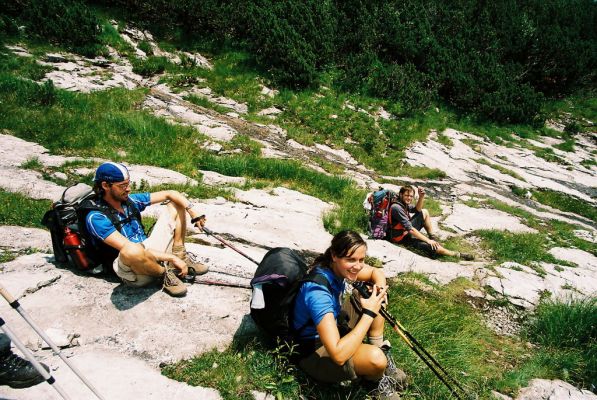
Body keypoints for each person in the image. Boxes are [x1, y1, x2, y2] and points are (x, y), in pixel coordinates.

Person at [292, 230, 407, 399]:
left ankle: (379, 361)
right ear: (334, 256)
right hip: (312, 352)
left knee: (373, 295)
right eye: (351, 259)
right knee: (376, 358)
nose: (358, 265)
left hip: (334, 327)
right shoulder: (317, 292)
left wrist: (380, 290)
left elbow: (376, 273)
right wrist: (368, 313)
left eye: (361, 259)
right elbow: (338, 355)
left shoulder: (337, 268)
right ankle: (375, 381)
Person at [86, 162, 208, 297]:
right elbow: (131, 249)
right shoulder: (96, 217)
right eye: (122, 186)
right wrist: (170, 258)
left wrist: (192, 212)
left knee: (176, 203)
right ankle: (164, 274)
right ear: (105, 186)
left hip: (149, 251)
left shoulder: (129, 201)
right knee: (131, 250)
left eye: (128, 184)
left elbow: (170, 193)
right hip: (135, 269)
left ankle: (181, 255)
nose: (128, 189)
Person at [388, 185, 474, 260]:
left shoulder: (402, 203)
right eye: (407, 195)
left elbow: (417, 210)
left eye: (411, 196)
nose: (409, 198)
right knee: (434, 247)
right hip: (401, 238)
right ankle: (457, 255)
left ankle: (433, 237)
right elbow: (410, 229)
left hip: (404, 232)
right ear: (401, 194)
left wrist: (421, 196)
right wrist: (428, 241)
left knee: (424, 211)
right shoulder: (397, 207)